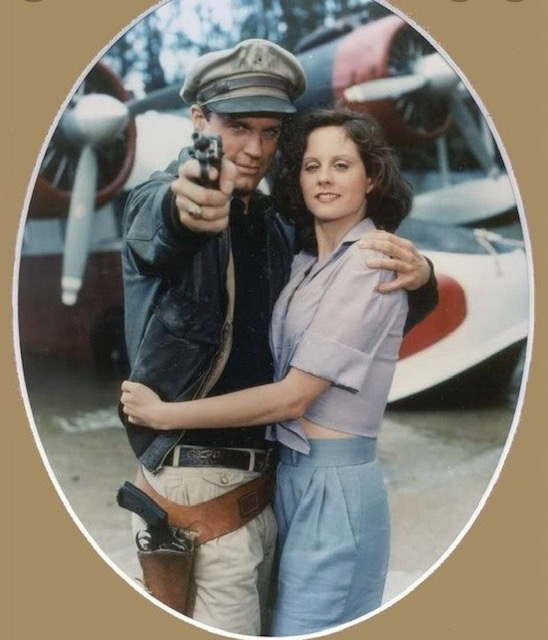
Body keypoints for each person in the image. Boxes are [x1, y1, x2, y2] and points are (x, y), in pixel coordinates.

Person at [121, 39, 438, 635]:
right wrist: (185, 205)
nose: (255, 148)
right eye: (237, 127)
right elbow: (168, 222)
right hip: (199, 479)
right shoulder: (160, 200)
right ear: (199, 120)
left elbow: (353, 297)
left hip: (273, 483)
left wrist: (422, 279)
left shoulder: (275, 225)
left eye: (270, 132)